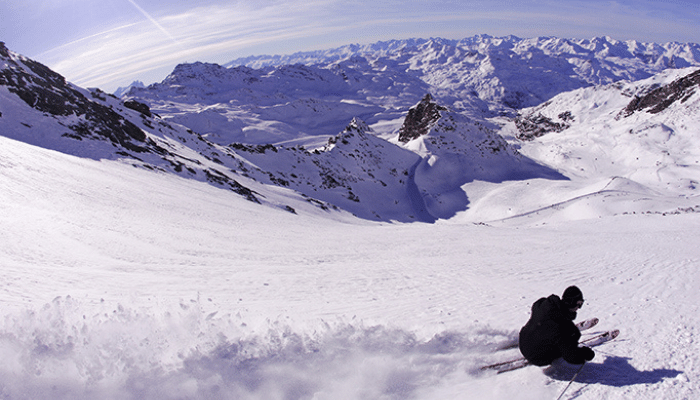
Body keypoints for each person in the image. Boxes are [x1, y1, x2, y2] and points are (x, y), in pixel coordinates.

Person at [518, 286, 595, 366]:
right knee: (571, 337)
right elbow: (571, 357)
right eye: (578, 304)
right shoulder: (560, 326)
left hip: (523, 340)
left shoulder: (545, 305)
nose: (579, 308)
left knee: (572, 333)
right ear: (571, 302)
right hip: (537, 357)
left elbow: (538, 305)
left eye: (581, 304)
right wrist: (584, 354)